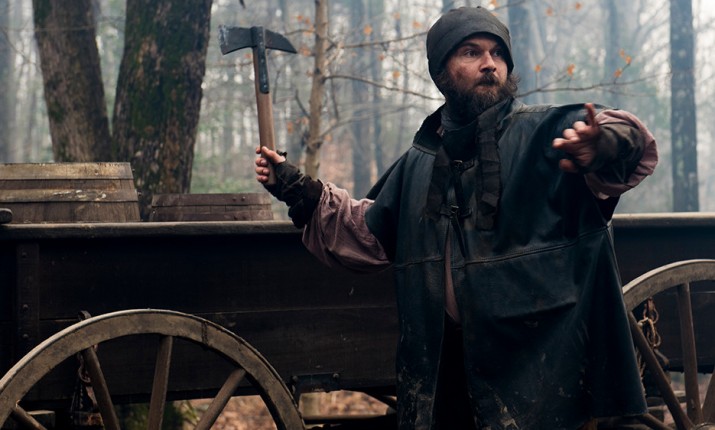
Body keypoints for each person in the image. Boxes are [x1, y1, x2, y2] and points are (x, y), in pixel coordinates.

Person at [255, 6, 657, 430]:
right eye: (471, 52)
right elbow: (366, 232)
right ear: (441, 72)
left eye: (498, 54)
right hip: (449, 376)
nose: (490, 64)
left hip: (543, 377)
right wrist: (297, 188)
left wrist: (606, 143)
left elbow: (622, 137)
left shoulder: (550, 133)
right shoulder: (420, 161)